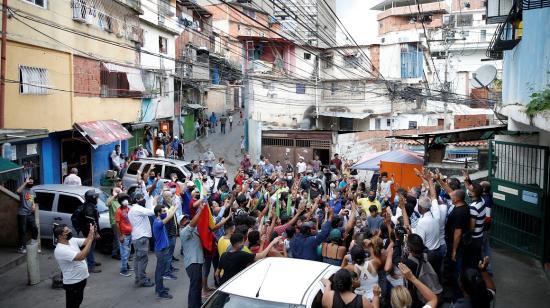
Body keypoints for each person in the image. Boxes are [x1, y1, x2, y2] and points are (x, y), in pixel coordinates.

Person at [216, 233, 283, 285]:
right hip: (234, 284)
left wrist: (220, 283)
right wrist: (273, 242)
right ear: (240, 243)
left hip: (223, 284)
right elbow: (262, 255)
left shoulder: (224, 255)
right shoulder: (242, 255)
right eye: (243, 242)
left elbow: (216, 274)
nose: (244, 244)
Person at [54, 223, 95, 308]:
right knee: (72, 305)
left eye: (68, 229)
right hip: (73, 283)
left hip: (81, 279)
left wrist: (91, 233)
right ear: (60, 236)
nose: (70, 231)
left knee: (78, 302)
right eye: (66, 231)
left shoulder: (71, 240)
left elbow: (86, 241)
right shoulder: (60, 250)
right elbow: (81, 256)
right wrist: (90, 240)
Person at [180, 203, 206, 308]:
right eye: (183, 219)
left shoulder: (193, 230)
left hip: (197, 261)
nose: (186, 220)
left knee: (197, 286)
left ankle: (197, 303)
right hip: (192, 263)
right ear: (180, 224)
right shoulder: (184, 232)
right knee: (195, 286)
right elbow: (193, 223)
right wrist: (201, 210)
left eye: (187, 218)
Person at [128, 191, 155, 287]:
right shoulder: (137, 208)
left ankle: (138, 278)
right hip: (141, 237)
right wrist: (153, 202)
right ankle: (142, 280)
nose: (143, 199)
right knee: (143, 259)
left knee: (137, 259)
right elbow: (152, 212)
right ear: (136, 199)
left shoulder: (133, 209)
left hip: (137, 237)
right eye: (141, 198)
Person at [152, 203, 178, 299]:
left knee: (160, 270)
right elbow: (169, 217)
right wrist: (175, 209)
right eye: (163, 212)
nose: (165, 213)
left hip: (162, 250)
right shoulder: (158, 223)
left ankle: (159, 288)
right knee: (160, 271)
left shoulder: (159, 220)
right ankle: (160, 291)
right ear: (158, 213)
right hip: (161, 251)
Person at [75, 190, 101, 273]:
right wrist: (95, 233)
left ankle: (92, 261)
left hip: (88, 231)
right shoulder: (89, 208)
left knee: (92, 247)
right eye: (96, 197)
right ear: (92, 199)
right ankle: (91, 266)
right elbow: (91, 223)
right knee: (89, 247)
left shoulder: (89, 205)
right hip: (89, 231)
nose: (97, 199)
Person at [16, 177, 39, 254]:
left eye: (32, 182)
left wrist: (33, 205)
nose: (31, 184)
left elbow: (32, 199)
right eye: (29, 182)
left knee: (35, 228)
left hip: (30, 213)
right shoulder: (23, 190)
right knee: (22, 230)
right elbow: (18, 191)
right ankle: (20, 247)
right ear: (26, 182)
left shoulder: (32, 190)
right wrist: (25, 182)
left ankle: (33, 246)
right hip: (22, 213)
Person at [115, 193, 133, 277]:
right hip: (124, 235)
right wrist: (120, 235)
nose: (126, 201)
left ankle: (126, 266)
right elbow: (117, 224)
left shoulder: (128, 209)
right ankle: (123, 270)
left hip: (130, 234)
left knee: (128, 251)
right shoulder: (118, 211)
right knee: (124, 253)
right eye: (123, 200)